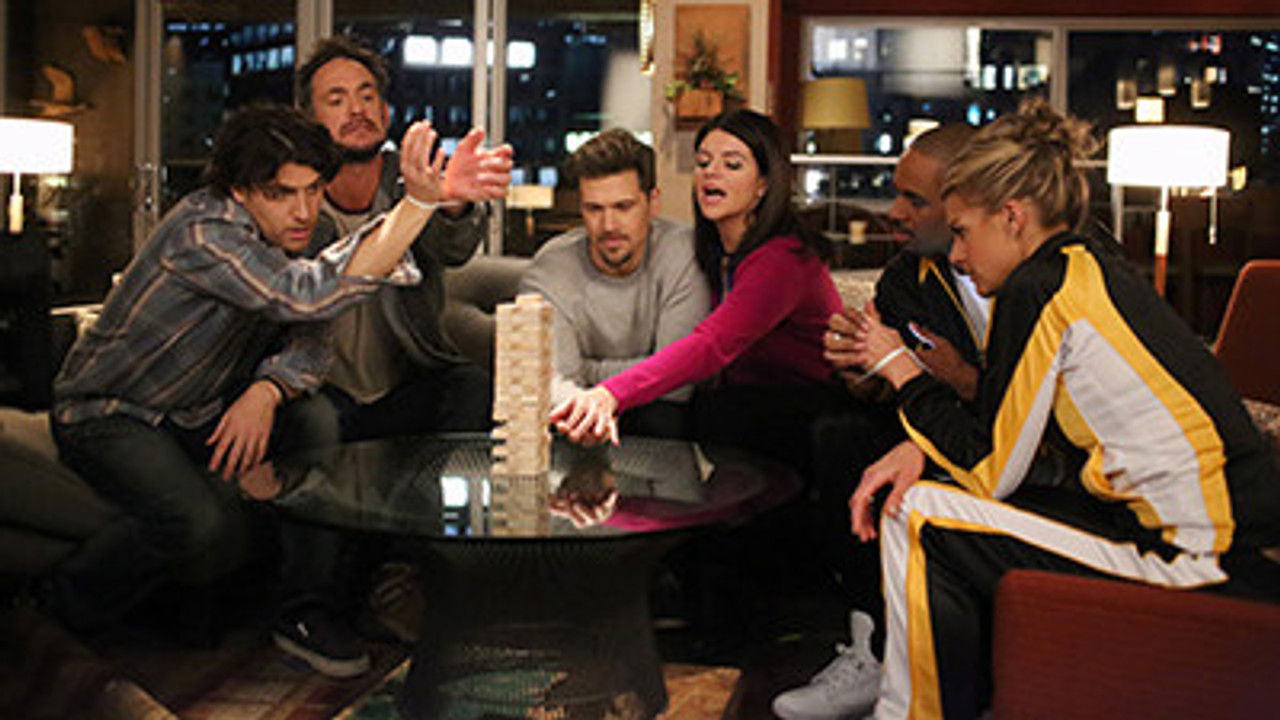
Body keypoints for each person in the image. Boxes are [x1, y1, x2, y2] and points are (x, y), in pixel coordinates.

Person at [838, 99, 1280, 719]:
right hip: (1223, 542)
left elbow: (990, 469)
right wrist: (918, 444)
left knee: (917, 512)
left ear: (1012, 217)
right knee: (933, 495)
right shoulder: (1081, 268)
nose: (956, 256)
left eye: (962, 232)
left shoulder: (1037, 290)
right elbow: (1004, 432)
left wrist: (898, 365)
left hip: (1195, 559)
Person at [48, 104, 509, 675]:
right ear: (240, 192)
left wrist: (267, 389)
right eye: (281, 194)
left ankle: (305, 613)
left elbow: (313, 343)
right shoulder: (204, 230)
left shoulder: (300, 234)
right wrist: (416, 204)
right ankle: (54, 611)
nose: (303, 210)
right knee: (196, 521)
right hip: (111, 412)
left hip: (198, 409)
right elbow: (307, 296)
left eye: (313, 190)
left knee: (317, 418)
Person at [775, 123, 983, 720]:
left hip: (1009, 448)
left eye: (915, 200)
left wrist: (961, 378)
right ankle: (871, 645)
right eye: (897, 194)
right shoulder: (908, 277)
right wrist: (861, 371)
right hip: (931, 429)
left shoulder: (1036, 279)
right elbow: (888, 381)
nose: (894, 213)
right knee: (837, 431)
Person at [549, 109, 842, 473]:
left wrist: (610, 393)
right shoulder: (714, 251)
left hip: (804, 410)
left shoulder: (784, 259)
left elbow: (710, 345)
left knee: (703, 412)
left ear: (764, 184)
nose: (711, 172)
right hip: (744, 408)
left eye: (732, 164)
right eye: (703, 162)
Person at [297, 35, 513, 440]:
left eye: (367, 96)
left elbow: (454, 249)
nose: (357, 109)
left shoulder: (413, 176)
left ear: (385, 111)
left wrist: (448, 203)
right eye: (337, 100)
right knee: (307, 420)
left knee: (472, 389)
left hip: (406, 381)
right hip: (317, 387)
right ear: (309, 119)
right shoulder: (295, 193)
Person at [519, 128, 710, 438]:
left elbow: (677, 383)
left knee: (663, 417)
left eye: (623, 207)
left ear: (652, 202)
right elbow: (553, 383)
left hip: (661, 415)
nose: (608, 225)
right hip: (576, 415)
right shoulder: (550, 269)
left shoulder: (685, 253)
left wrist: (589, 370)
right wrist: (647, 369)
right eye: (594, 209)